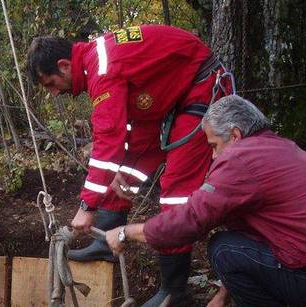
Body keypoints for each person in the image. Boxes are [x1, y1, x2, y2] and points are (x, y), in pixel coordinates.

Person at [27, 25, 233, 306]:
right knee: (128, 164)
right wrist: (102, 189)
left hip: (200, 87)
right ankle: (105, 243)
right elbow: (115, 143)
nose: (53, 93)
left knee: (175, 191)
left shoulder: (102, 68)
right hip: (168, 96)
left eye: (50, 83)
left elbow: (108, 138)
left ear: (64, 66)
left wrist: (87, 206)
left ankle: (174, 290)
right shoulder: (96, 59)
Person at [105, 95, 306, 307]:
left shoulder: (242, 158)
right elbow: (258, 235)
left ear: (235, 135)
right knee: (231, 244)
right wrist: (222, 296)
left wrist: (126, 232)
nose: (214, 155)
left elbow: (191, 219)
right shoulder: (279, 148)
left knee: (224, 249)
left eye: (214, 145)